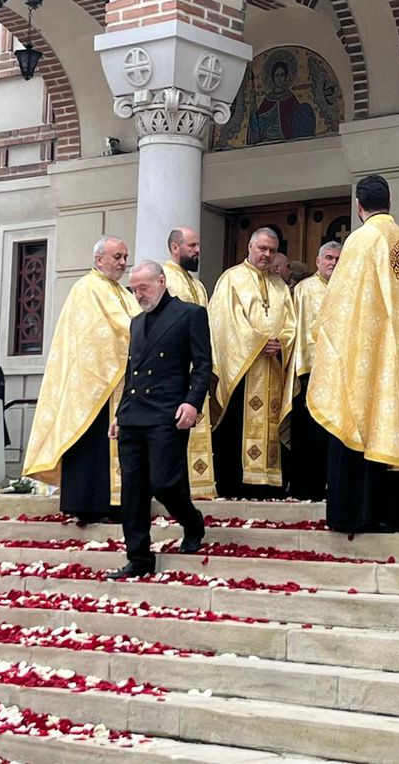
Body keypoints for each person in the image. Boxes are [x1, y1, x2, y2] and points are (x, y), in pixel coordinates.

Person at [307, 175, 399, 532]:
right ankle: (396, 512)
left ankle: (357, 514)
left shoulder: (362, 240)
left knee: (359, 421)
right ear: (389, 203)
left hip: (365, 358)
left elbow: (339, 304)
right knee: (393, 424)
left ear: (359, 206)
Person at [23, 237, 139, 521]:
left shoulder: (120, 292)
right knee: (90, 442)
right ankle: (87, 505)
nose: (123, 262)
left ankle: (113, 505)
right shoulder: (87, 288)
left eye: (125, 257)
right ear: (99, 259)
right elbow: (107, 330)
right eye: (117, 256)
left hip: (115, 381)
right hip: (92, 380)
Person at [107, 262, 212, 578]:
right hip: (134, 416)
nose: (138, 294)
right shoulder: (136, 323)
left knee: (165, 483)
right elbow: (132, 372)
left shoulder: (190, 314)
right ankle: (138, 558)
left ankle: (192, 523)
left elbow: (203, 365)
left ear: (162, 281)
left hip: (168, 413)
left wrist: (192, 403)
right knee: (133, 491)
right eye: (134, 289)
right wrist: (119, 414)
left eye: (144, 287)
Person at [207, 227, 295, 498]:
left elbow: (291, 324)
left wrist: (281, 343)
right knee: (235, 425)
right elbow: (224, 324)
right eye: (262, 249)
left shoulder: (280, 285)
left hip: (272, 369)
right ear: (250, 247)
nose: (267, 255)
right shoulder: (231, 279)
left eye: (272, 250)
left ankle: (269, 485)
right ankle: (235, 484)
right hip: (241, 371)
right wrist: (258, 343)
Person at [282, 241, 341, 500]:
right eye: (328, 258)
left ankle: (334, 486)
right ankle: (306, 487)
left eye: (338, 258)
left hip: (340, 373)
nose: (333, 263)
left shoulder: (348, 289)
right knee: (309, 434)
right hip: (309, 371)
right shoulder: (304, 290)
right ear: (318, 261)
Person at [162, 227, 215, 499]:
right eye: (192, 245)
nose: (197, 251)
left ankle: (195, 488)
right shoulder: (165, 278)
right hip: (176, 369)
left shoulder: (197, 284)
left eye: (198, 245)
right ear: (175, 247)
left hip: (196, 369)